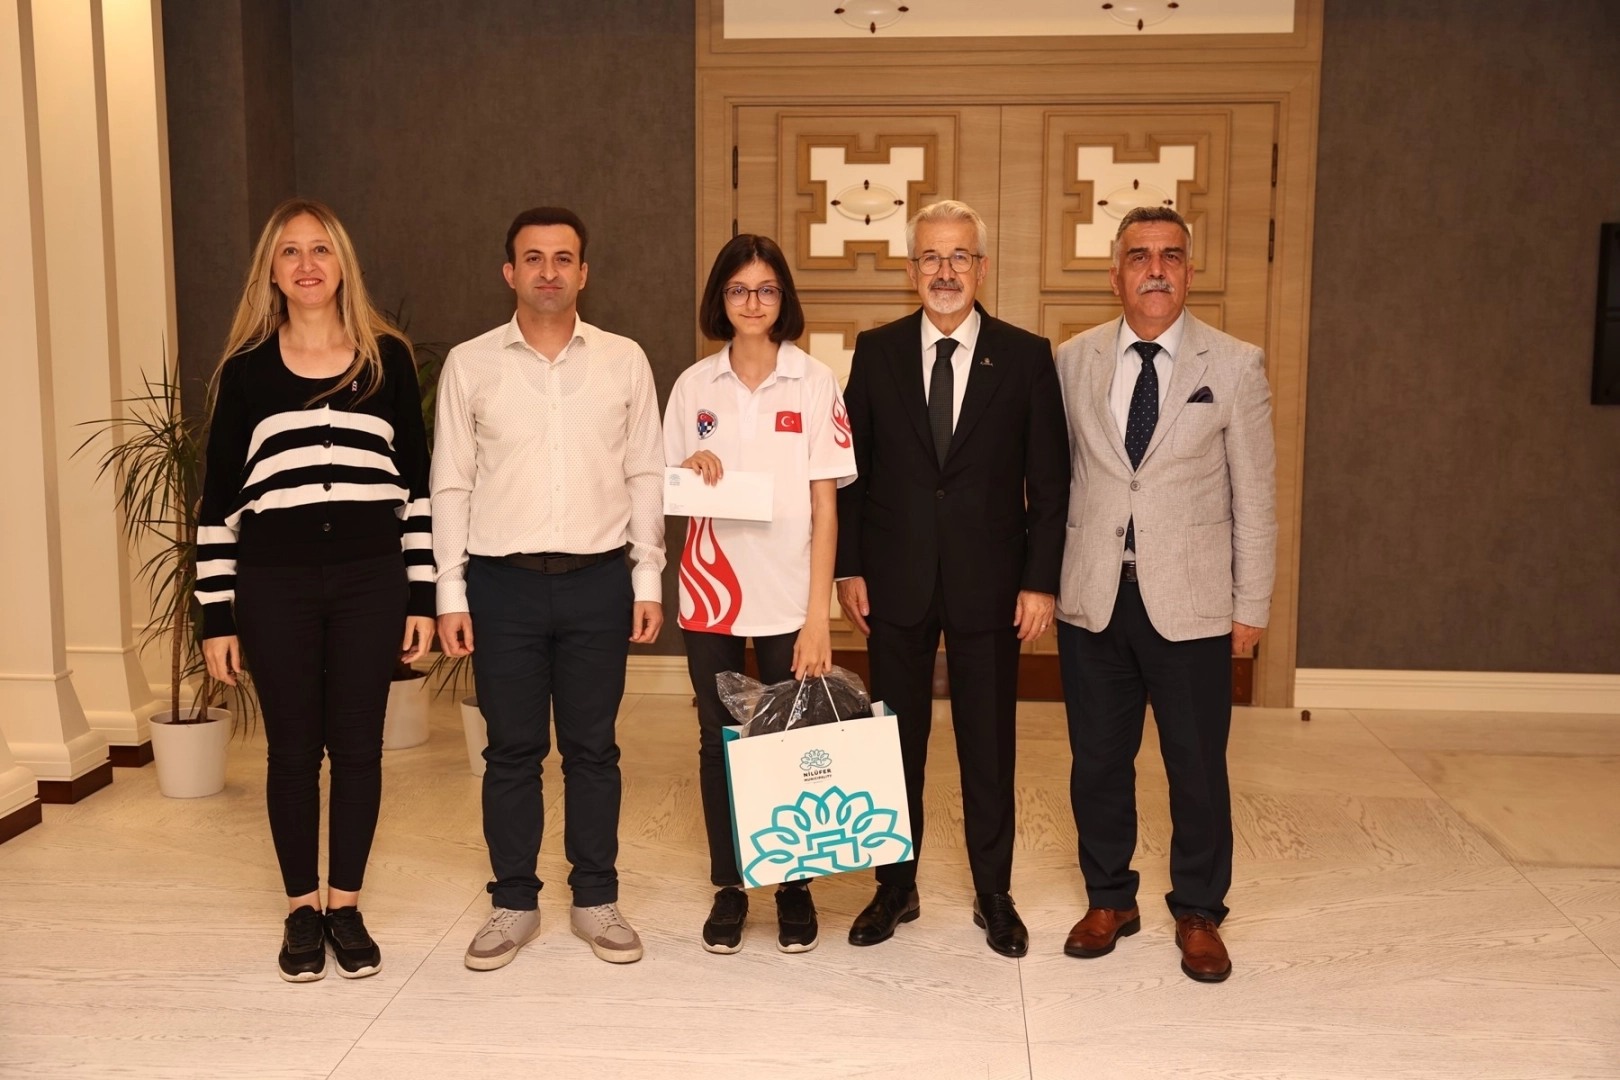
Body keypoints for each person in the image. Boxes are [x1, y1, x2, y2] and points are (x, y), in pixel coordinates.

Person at [197, 198, 437, 983]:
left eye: (321, 250)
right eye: (291, 251)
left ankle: (346, 906)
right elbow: (217, 503)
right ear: (272, 270)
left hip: (372, 580)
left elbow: (417, 491)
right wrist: (216, 615)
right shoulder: (245, 373)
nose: (307, 265)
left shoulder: (387, 361)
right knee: (294, 751)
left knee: (359, 749)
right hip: (276, 584)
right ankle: (303, 909)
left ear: (343, 265)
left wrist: (422, 597)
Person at [432, 207, 665, 970]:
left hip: (599, 582)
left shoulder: (625, 360)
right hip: (502, 588)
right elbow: (451, 484)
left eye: (563, 258)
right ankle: (513, 903)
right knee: (512, 753)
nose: (548, 271)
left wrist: (647, 576)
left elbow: (644, 472)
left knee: (594, 750)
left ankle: (596, 898)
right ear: (510, 272)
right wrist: (450, 593)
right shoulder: (470, 364)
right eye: (533, 258)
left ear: (584, 273)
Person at [834, 200, 1069, 957]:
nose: (945, 271)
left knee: (988, 746)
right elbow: (850, 473)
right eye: (931, 257)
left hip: (991, 586)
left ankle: (993, 893)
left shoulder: (1025, 357)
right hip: (892, 583)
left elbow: (1050, 484)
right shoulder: (876, 352)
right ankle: (893, 887)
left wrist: (1039, 582)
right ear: (911, 271)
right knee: (893, 744)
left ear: (982, 268)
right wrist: (849, 566)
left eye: (959, 256)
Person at [1053, 205, 1276, 983]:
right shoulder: (1072, 360)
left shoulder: (1235, 365)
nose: (1156, 269)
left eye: (1171, 256)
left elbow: (1257, 496)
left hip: (1193, 604)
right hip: (1094, 598)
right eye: (1140, 256)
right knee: (1097, 763)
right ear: (1115, 275)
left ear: (1189, 271)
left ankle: (1200, 911)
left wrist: (1251, 605)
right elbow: (1055, 481)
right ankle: (1109, 898)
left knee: (1197, 767)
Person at [664, 234, 856, 955]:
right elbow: (667, 483)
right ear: (722, 298)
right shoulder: (694, 386)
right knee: (719, 741)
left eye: (766, 289)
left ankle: (793, 886)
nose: (753, 302)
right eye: (739, 289)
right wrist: (688, 464)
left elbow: (826, 509)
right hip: (709, 592)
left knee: (787, 742)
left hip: (788, 597)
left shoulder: (814, 381)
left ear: (784, 299)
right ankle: (731, 884)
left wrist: (818, 617)